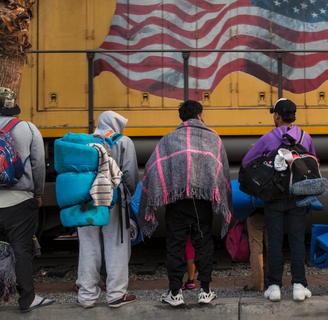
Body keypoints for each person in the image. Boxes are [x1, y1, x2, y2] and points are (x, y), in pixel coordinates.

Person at [138, 100, 233, 306]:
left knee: (175, 245)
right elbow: (221, 169)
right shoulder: (212, 137)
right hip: (201, 202)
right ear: (200, 115)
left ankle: (175, 294)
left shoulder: (168, 139)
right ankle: (205, 292)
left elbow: (153, 167)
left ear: (182, 117)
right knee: (203, 243)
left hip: (177, 202)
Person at [241, 98, 315, 302]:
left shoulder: (268, 138)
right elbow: (312, 163)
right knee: (297, 242)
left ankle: (274, 287)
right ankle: (299, 286)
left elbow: (247, 162)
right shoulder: (305, 137)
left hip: (273, 198)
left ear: (277, 116)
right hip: (298, 198)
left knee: (274, 243)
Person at [76, 111, 139, 308]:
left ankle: (86, 296)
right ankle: (116, 294)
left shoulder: (85, 142)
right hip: (112, 198)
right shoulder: (123, 141)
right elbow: (130, 175)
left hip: (85, 199)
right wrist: (126, 195)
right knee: (116, 244)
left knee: (87, 245)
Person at [0, 87, 55, 312]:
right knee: (21, 249)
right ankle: (27, 300)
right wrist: (38, 194)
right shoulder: (27, 128)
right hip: (20, 201)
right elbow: (38, 165)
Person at [244, 208, 268, 292]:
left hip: (254, 214)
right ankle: (271, 281)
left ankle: (257, 284)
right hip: (272, 214)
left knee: (256, 250)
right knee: (272, 248)